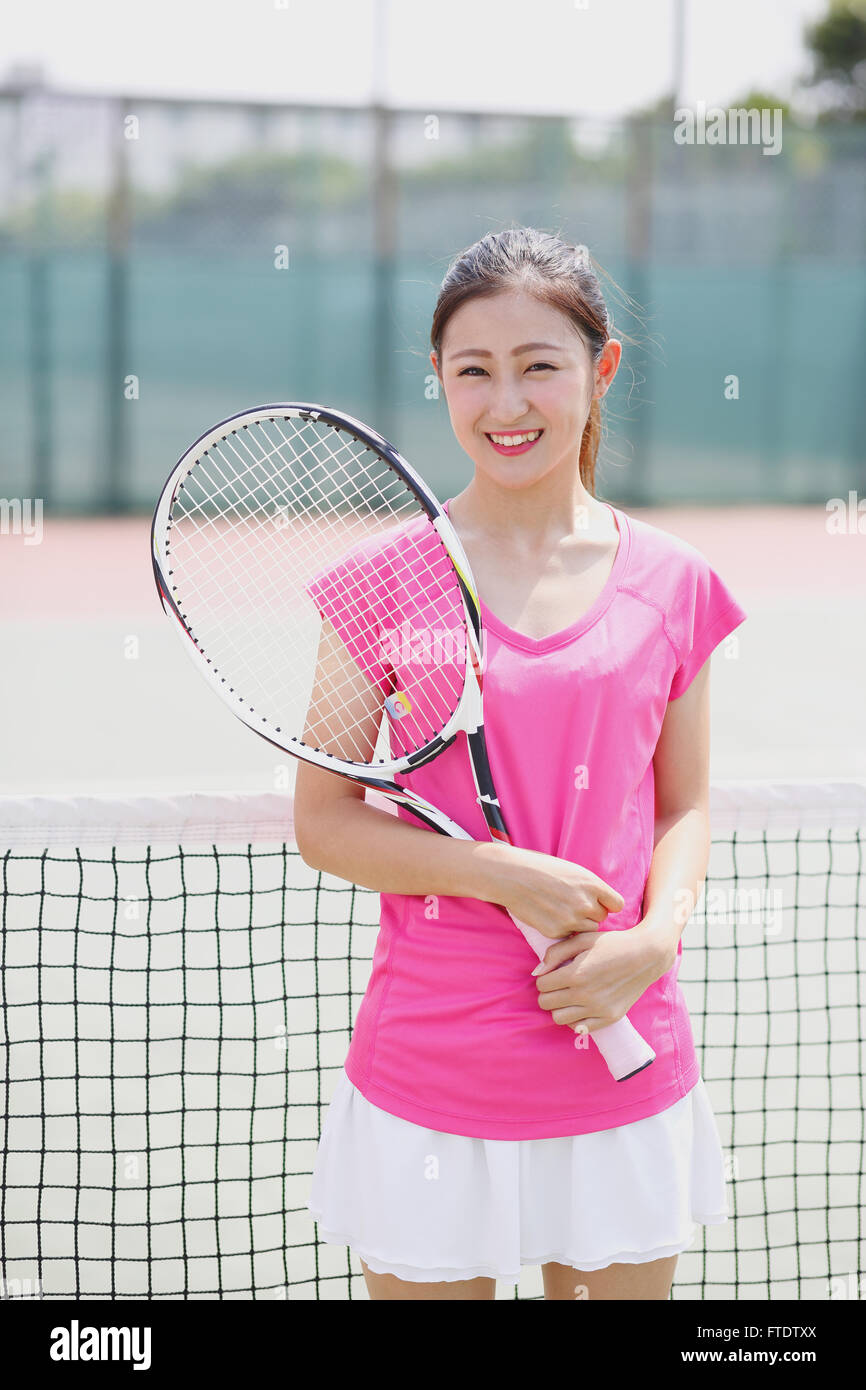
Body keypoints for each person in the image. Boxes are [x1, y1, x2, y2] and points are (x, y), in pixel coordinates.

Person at [295, 226, 747, 1301]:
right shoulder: (379, 580)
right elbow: (324, 818)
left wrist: (650, 937)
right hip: (430, 1068)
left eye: (538, 365)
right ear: (439, 383)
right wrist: (503, 874)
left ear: (599, 369)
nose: (506, 404)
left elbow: (682, 805)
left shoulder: (673, 583)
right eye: (472, 371)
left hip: (618, 1038)